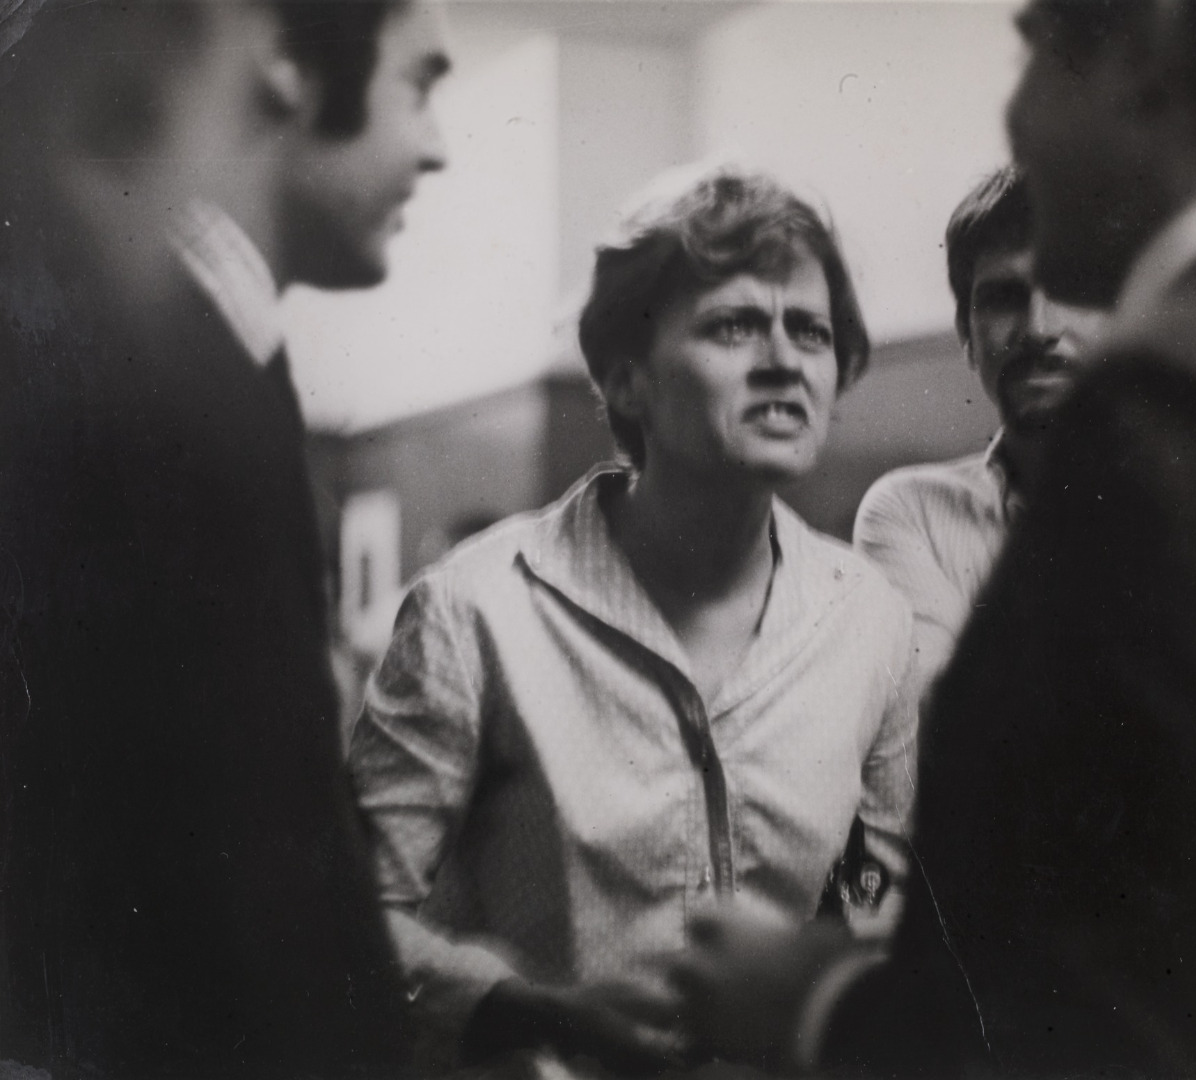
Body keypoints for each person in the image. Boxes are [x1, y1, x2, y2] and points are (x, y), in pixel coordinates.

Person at [673, 1, 1196, 1076]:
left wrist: (816, 1008)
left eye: (1033, 49)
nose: (1015, 116)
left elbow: (1144, 992)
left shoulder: (1178, 395)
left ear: (1143, 59)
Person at [345, 165, 917, 1074]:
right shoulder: (477, 611)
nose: (783, 359)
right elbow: (347, 924)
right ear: (628, 381)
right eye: (733, 325)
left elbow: (885, 926)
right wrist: (534, 1012)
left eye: (810, 331)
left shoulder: (870, 622)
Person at [0, 2, 449, 1075]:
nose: (436, 147)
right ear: (285, 58)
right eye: (420, 84)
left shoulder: (220, 354)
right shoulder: (128, 369)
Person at [854, 165, 1108, 708]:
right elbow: (943, 725)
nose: (1039, 328)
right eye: (1003, 298)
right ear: (966, 336)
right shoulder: (912, 514)